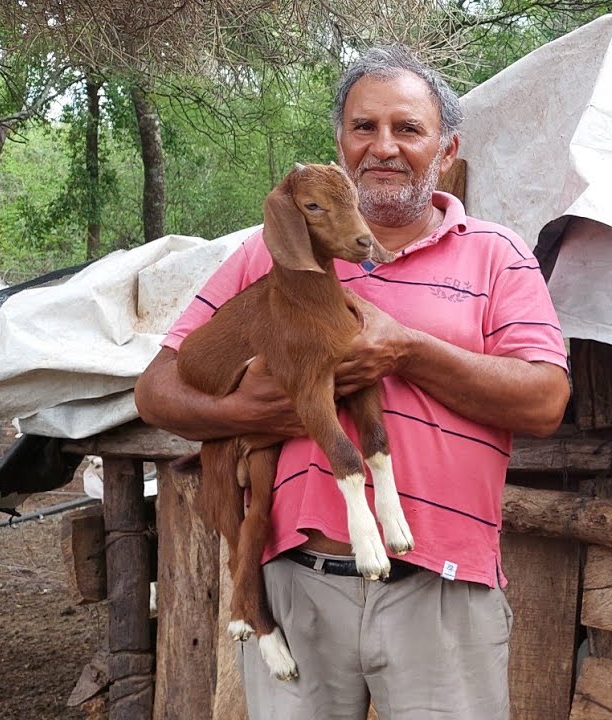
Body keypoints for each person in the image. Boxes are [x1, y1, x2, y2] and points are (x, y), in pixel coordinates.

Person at [133, 46, 570, 720]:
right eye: (363, 128)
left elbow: (544, 401)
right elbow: (156, 389)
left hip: (442, 589)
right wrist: (240, 408)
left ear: (448, 149)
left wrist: (409, 350)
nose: (384, 147)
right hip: (298, 586)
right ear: (340, 145)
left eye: (408, 129)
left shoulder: (497, 255)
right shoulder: (269, 251)